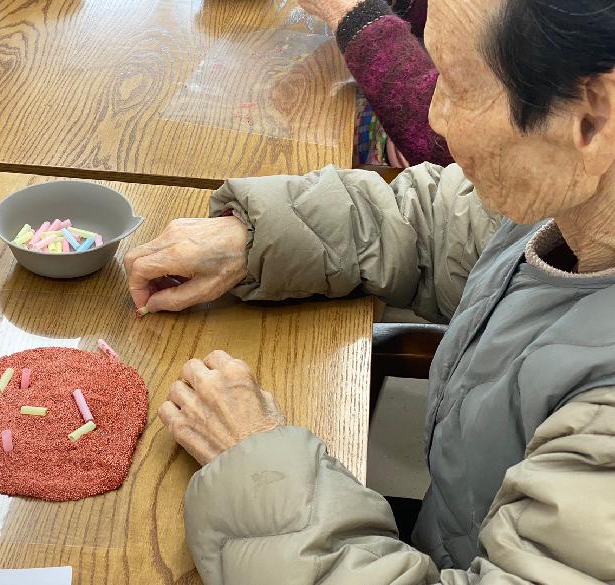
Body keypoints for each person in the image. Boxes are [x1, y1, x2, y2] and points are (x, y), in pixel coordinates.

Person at [124, 0, 615, 582]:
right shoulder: (568, 203)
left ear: (594, 118)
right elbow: (443, 222)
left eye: (457, 86)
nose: (434, 118)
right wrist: (255, 238)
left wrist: (259, 472)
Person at [301, 0, 452, 166]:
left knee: (310, 138)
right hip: (407, 79)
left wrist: (354, 16)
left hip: (406, 156)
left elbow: (442, 135)